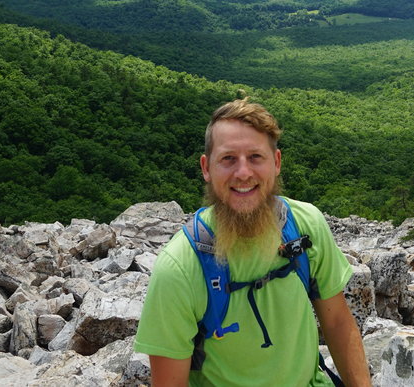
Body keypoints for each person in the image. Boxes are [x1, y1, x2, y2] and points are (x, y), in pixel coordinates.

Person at [133, 99, 371, 386]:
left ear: (277, 163)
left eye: (256, 157)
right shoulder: (180, 267)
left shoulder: (305, 226)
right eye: (228, 158)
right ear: (206, 168)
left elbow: (337, 324)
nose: (243, 173)